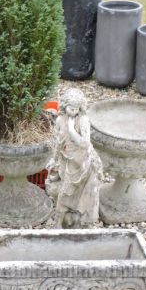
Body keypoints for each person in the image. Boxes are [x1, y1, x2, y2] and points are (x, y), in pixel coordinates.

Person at [46, 88, 102, 228]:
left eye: (77, 109)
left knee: (68, 191)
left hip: (81, 160)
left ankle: (69, 218)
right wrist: (54, 159)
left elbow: (85, 143)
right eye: (71, 108)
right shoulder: (60, 120)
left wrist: (71, 131)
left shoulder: (82, 120)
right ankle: (61, 220)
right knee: (63, 188)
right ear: (65, 106)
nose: (74, 112)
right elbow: (58, 143)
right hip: (67, 158)